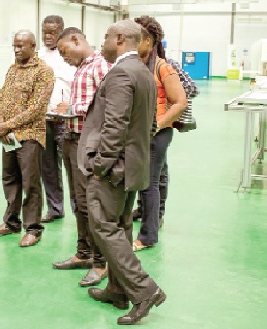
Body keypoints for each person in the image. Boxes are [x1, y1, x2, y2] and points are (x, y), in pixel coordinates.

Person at [79, 20, 165, 325]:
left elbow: (114, 126)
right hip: (133, 166)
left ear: (118, 39)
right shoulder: (143, 72)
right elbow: (148, 122)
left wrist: (100, 166)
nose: (101, 43)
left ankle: (144, 290)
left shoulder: (120, 73)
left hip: (113, 169)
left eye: (104, 37)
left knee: (103, 227)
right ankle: (117, 290)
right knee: (121, 226)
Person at [51, 27, 112, 287]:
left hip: (87, 144)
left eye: (65, 51)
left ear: (76, 40)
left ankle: (100, 263)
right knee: (77, 201)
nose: (64, 57)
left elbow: (103, 106)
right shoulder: (83, 68)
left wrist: (70, 109)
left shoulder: (100, 66)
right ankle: (83, 253)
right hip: (72, 139)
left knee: (90, 204)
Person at [0, 30, 54, 247]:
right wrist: (3, 127)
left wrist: (8, 125)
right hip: (8, 137)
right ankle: (11, 222)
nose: (17, 50)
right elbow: (3, 98)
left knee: (30, 183)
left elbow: (37, 108)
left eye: (21, 46)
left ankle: (33, 228)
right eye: (14, 46)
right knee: (10, 179)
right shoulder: (13, 68)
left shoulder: (44, 71)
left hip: (29, 136)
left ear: (33, 46)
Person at [131, 16, 187, 251]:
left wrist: (158, 124)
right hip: (138, 134)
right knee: (149, 180)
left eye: (135, 38)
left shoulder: (163, 67)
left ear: (148, 40)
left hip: (157, 135)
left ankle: (147, 236)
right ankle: (152, 219)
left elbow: (180, 102)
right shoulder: (134, 65)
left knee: (149, 184)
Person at [38, 15, 76, 223]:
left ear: (61, 31)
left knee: (71, 166)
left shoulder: (69, 54)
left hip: (66, 120)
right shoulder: (39, 55)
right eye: (45, 31)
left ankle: (78, 207)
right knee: (48, 166)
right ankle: (55, 208)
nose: (48, 36)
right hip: (44, 119)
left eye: (53, 32)